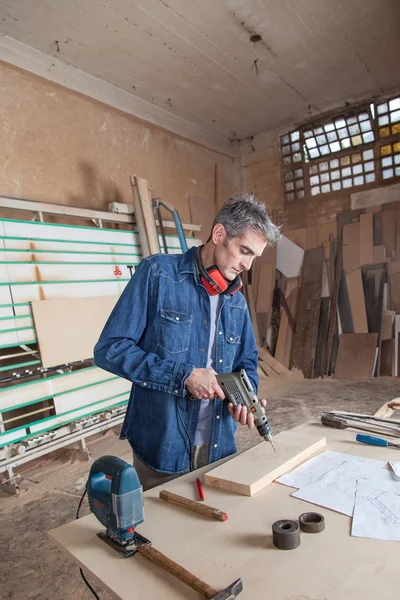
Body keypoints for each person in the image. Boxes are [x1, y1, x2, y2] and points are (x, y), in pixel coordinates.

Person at [94, 193, 281, 489]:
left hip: (220, 446)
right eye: (244, 251)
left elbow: (246, 363)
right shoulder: (157, 274)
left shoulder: (236, 303)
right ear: (219, 234)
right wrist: (184, 376)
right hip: (164, 447)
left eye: (254, 258)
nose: (247, 265)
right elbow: (110, 349)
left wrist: (245, 398)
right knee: (166, 532)